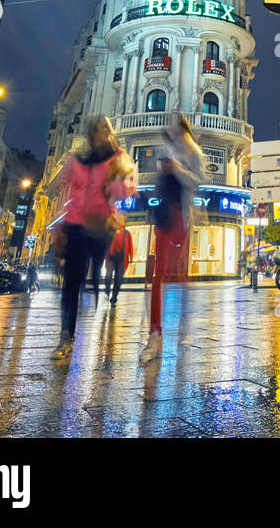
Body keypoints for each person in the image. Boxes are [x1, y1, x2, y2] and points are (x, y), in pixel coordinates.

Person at [52, 116, 135, 361]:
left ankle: (95, 299)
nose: (106, 135)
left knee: (90, 276)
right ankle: (66, 335)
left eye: (108, 131)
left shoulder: (117, 158)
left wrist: (117, 186)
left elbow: (129, 186)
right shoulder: (78, 160)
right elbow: (60, 182)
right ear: (91, 134)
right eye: (101, 131)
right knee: (71, 282)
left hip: (101, 225)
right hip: (76, 223)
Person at [140, 116, 204, 364]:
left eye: (177, 129)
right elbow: (160, 184)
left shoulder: (194, 152)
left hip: (182, 217)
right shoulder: (166, 150)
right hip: (164, 216)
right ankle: (155, 333)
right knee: (159, 276)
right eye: (172, 130)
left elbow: (198, 181)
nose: (174, 133)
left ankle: (184, 325)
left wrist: (178, 169)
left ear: (184, 128)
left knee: (182, 277)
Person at [104, 224, 133, 305]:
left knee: (119, 279)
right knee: (108, 276)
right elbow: (106, 244)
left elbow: (130, 245)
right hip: (111, 258)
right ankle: (107, 290)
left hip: (122, 259)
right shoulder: (110, 232)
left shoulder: (127, 233)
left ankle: (113, 298)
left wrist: (131, 256)